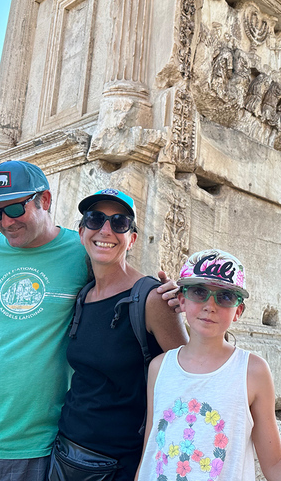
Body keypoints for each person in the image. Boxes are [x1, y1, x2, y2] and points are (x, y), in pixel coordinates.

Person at [0, 160, 179, 480]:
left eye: (14, 208)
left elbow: (119, 283)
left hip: (38, 448)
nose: (5, 221)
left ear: (45, 200)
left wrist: (169, 298)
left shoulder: (81, 250)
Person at [136, 250, 281, 481]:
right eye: (199, 292)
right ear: (182, 300)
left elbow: (275, 463)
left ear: (238, 311)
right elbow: (151, 451)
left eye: (225, 297)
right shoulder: (159, 367)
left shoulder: (252, 372)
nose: (210, 305)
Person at [50, 189, 188, 481]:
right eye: (95, 219)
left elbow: (188, 377)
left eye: (119, 222)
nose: (105, 230)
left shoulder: (151, 299)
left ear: (132, 239)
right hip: (65, 452)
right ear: (81, 231)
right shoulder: (84, 295)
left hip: (120, 462)